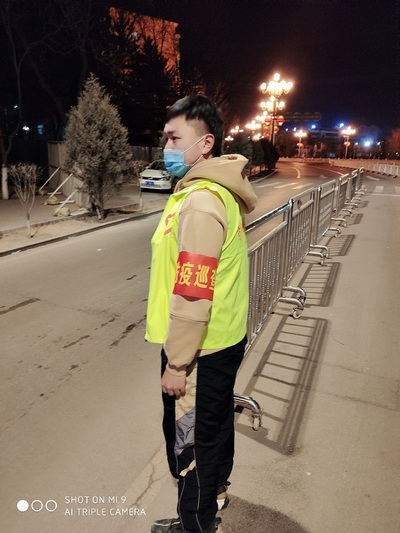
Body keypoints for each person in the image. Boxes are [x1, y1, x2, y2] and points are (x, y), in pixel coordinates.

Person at [145, 95, 257, 533]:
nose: (167, 148)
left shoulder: (201, 202)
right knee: (214, 430)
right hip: (221, 341)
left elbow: (193, 293)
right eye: (165, 138)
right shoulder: (214, 193)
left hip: (198, 352)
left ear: (206, 143)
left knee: (190, 444)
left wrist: (177, 363)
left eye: (175, 138)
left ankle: (194, 525)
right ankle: (215, 496)